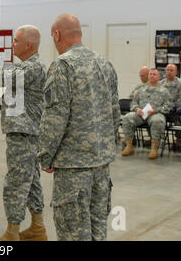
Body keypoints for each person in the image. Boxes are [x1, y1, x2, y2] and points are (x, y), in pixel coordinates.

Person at [38, 14, 120, 241]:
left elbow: (55, 117)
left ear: (57, 34)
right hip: (102, 166)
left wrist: (46, 156)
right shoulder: (104, 63)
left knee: (73, 233)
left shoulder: (62, 65)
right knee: (97, 231)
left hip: (74, 169)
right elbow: (115, 113)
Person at [0, 25, 48, 241]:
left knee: (16, 183)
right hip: (22, 133)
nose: (12, 45)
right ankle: (38, 228)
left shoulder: (33, 68)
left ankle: (12, 233)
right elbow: (12, 101)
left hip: (25, 135)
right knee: (31, 182)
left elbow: (3, 77)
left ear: (28, 44)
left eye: (16, 41)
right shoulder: (24, 69)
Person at [121, 68, 172, 159]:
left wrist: (156, 110)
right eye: (150, 74)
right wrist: (136, 109)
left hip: (155, 114)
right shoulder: (141, 89)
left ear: (159, 77)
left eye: (154, 74)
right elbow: (133, 102)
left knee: (158, 120)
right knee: (127, 118)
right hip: (141, 114)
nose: (152, 76)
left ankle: (154, 148)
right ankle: (129, 146)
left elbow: (168, 106)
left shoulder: (164, 91)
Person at [160, 63, 181, 151]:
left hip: (176, 109)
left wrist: (169, 107)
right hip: (164, 110)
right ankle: (155, 138)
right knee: (154, 116)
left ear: (176, 72)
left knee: (178, 115)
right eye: (167, 70)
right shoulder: (161, 83)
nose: (169, 72)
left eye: (171, 70)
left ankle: (179, 140)